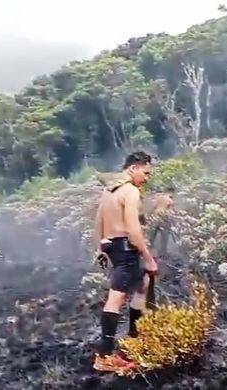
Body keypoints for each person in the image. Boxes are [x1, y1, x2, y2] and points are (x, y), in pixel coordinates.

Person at [92, 151, 157, 373]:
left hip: (112, 245)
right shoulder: (129, 191)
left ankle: (132, 342)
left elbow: (99, 219)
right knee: (117, 298)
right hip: (126, 248)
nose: (147, 178)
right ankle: (105, 355)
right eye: (145, 172)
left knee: (142, 286)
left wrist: (101, 247)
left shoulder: (109, 190)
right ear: (133, 168)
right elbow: (133, 229)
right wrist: (148, 258)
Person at [146, 187, 175, 259]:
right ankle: (162, 254)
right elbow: (170, 212)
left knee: (151, 236)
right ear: (170, 192)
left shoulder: (158, 198)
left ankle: (148, 252)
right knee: (164, 238)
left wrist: (149, 217)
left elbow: (153, 207)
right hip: (164, 219)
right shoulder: (170, 200)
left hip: (155, 218)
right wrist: (172, 221)